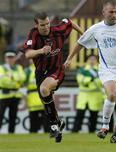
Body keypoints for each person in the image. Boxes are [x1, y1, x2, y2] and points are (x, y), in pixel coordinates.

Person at [64, 0, 116, 143]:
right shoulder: (95, 29)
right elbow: (80, 43)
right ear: (104, 13)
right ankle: (104, 127)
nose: (114, 15)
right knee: (112, 93)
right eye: (111, 12)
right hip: (107, 69)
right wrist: (69, 59)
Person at [21, 12, 83, 142]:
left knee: (44, 90)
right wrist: (41, 51)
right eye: (42, 25)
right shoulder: (33, 34)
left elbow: (70, 22)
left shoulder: (58, 31)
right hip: (40, 71)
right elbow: (27, 54)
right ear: (36, 25)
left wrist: (84, 34)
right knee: (45, 96)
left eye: (48, 23)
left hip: (56, 69)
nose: (46, 27)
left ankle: (54, 125)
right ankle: (57, 123)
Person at [72, 55, 103, 133]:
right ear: (87, 61)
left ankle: (91, 132)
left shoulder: (101, 70)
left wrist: (88, 81)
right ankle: (75, 131)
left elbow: (100, 82)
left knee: (94, 116)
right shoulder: (82, 70)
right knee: (79, 115)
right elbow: (80, 80)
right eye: (90, 59)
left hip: (95, 96)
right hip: (83, 96)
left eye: (94, 59)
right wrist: (92, 79)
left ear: (97, 61)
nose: (92, 61)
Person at [0, 50, 25, 133]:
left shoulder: (19, 67)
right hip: (4, 95)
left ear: (14, 58)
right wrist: (16, 78)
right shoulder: (1, 67)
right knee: (0, 115)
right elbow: (3, 81)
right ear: (5, 58)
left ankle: (11, 133)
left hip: (15, 95)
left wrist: (11, 76)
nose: (10, 59)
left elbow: (22, 78)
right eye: (8, 57)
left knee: (13, 116)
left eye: (11, 57)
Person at [24, 60, 49, 133]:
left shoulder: (45, 69)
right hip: (35, 99)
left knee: (43, 123)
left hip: (41, 98)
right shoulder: (28, 70)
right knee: (37, 123)